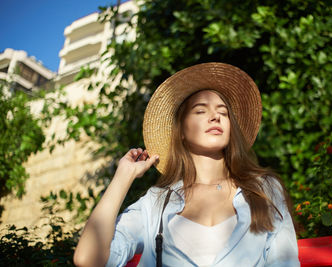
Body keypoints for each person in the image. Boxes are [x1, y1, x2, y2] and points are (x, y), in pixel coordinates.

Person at [74, 62, 300, 267]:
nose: (215, 117)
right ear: (180, 131)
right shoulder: (155, 204)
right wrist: (123, 176)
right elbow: (88, 260)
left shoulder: (264, 190)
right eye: (201, 111)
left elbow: (285, 262)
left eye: (223, 112)